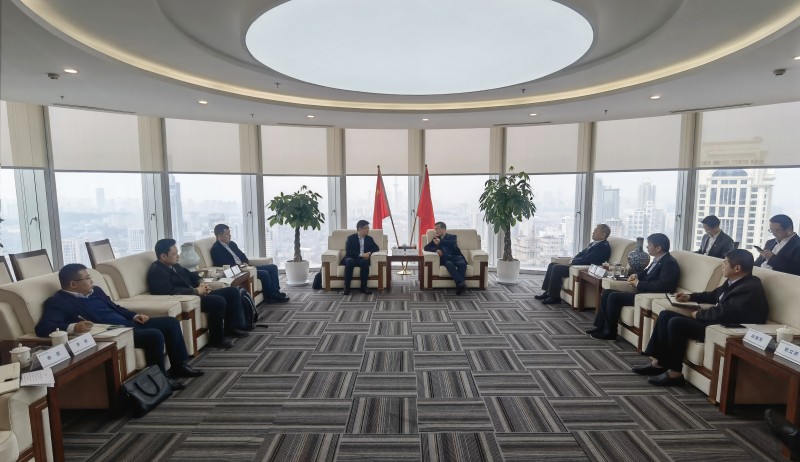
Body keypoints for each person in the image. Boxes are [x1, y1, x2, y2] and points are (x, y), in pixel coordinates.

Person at [36, 264, 203, 390]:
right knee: (154, 335)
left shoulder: (96, 291)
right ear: (73, 284)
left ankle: (179, 366)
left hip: (130, 323)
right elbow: (44, 327)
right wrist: (74, 327)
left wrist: (134, 315)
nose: (91, 281)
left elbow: (115, 307)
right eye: (87, 278)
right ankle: (161, 380)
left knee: (170, 322)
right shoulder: (59, 301)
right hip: (116, 333)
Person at [633, 249, 769, 386]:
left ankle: (675, 374)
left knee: (676, 323)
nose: (722, 266)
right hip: (716, 322)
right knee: (665, 314)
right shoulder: (734, 281)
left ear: (737, 268)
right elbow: (712, 296)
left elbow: (724, 313)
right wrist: (689, 297)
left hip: (725, 327)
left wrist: (698, 314)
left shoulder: (749, 287)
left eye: (725, 263)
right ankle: (659, 363)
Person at [148, 238, 247, 350]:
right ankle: (216, 339)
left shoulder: (175, 265)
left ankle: (230, 328)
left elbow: (192, 275)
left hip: (196, 294)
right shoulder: (157, 271)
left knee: (232, 292)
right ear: (163, 256)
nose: (178, 256)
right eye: (174, 254)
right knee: (218, 301)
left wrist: (202, 284)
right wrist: (196, 291)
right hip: (188, 299)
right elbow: (168, 291)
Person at [587, 233, 680, 340]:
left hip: (647, 296)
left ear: (658, 248)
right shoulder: (658, 259)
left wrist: (638, 283)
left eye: (649, 245)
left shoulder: (669, 263)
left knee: (613, 297)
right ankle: (600, 327)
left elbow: (663, 286)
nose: (647, 247)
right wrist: (636, 275)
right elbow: (646, 272)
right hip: (641, 292)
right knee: (607, 292)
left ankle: (610, 332)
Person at [210, 223, 289, 304]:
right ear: (219, 236)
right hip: (240, 272)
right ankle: (270, 297)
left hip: (247, 267)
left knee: (273, 267)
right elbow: (225, 264)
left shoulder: (232, 244)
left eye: (230, 233)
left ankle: (276, 292)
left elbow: (243, 256)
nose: (230, 236)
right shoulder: (216, 249)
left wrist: (244, 262)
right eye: (227, 234)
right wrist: (241, 266)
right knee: (264, 273)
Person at [536, 224, 612, 304]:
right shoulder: (594, 244)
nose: (593, 232)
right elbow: (581, 254)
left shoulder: (603, 247)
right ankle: (547, 292)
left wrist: (573, 262)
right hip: (577, 265)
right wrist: (573, 259)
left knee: (556, 268)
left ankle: (554, 297)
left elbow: (588, 260)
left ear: (603, 235)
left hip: (583, 268)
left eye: (596, 231)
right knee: (552, 265)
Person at [424, 221, 469, 295]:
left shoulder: (452, 237)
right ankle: (461, 283)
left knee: (462, 264)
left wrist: (440, 242)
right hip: (445, 259)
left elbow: (452, 244)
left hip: (456, 257)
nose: (436, 231)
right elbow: (426, 247)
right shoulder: (435, 238)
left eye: (437, 229)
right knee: (449, 264)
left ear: (444, 229)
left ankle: (460, 285)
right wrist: (436, 250)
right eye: (435, 229)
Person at [341, 220, 379, 295]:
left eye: (368, 228)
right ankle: (346, 287)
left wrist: (369, 253)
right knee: (350, 262)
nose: (368, 230)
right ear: (359, 229)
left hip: (361, 259)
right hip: (350, 257)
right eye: (366, 228)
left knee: (364, 262)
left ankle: (363, 287)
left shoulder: (369, 239)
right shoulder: (351, 238)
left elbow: (376, 248)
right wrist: (361, 254)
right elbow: (348, 251)